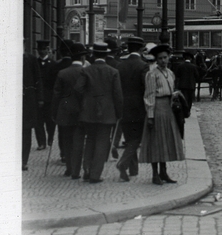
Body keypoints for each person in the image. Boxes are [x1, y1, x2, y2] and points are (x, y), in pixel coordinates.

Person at [140, 44, 185, 185]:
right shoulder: (152, 74)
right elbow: (149, 95)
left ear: (169, 57)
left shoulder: (170, 73)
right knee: (156, 141)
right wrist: (151, 115)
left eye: (165, 57)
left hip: (168, 108)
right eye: (160, 58)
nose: (163, 61)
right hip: (157, 108)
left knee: (166, 139)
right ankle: (155, 174)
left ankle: (164, 172)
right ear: (156, 60)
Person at [78, 43, 122, 184]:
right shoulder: (113, 71)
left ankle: (87, 169)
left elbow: (78, 88)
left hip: (89, 112)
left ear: (94, 54)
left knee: (90, 140)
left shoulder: (86, 70)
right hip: (107, 113)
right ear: (105, 55)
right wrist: (119, 112)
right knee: (102, 142)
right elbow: (118, 95)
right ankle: (95, 174)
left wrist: (87, 99)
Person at [114, 38, 149, 182]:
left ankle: (133, 169)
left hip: (123, 106)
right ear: (141, 49)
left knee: (129, 138)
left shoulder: (120, 66)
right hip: (138, 107)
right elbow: (145, 88)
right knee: (137, 138)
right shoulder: (143, 66)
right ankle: (123, 163)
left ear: (128, 49)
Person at [51, 42, 87, 180]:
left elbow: (56, 95)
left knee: (66, 140)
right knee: (78, 140)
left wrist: (54, 112)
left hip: (64, 109)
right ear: (82, 59)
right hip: (81, 110)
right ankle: (76, 170)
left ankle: (69, 168)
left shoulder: (62, 73)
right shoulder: (85, 72)